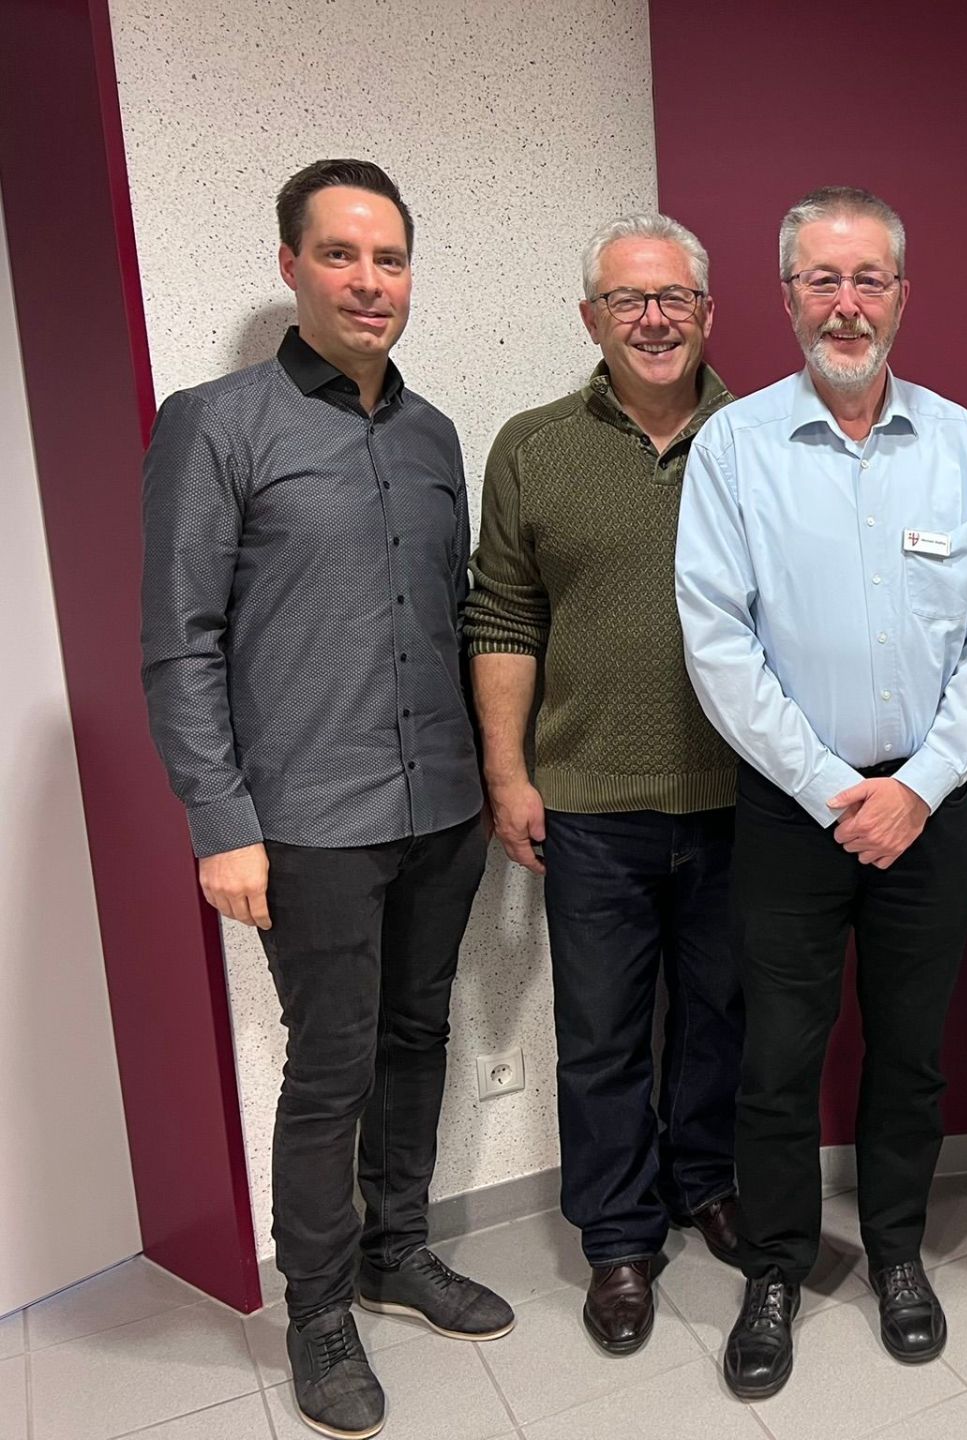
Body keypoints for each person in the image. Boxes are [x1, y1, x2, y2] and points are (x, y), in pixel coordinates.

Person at [140, 159, 512, 1440]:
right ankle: (316, 1310)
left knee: (420, 1038)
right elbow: (179, 641)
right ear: (291, 264)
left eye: (391, 259)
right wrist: (220, 821)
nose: (370, 282)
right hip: (307, 823)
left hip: (442, 810)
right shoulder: (216, 422)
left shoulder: (433, 435)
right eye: (342, 255)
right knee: (332, 1067)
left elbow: (460, 621)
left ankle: (394, 1249)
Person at [675, 186, 967, 1399]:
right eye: (821, 279)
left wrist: (923, 784)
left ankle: (893, 1254)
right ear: (784, 298)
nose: (846, 302)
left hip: (925, 814)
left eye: (867, 278)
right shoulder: (735, 447)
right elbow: (718, 642)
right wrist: (839, 789)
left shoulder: (961, 445)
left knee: (911, 1056)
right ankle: (774, 1267)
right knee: (778, 1055)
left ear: (901, 296)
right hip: (794, 809)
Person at [464, 213, 740, 1358]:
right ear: (592, 319)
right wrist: (506, 771)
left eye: (673, 297)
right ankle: (619, 1239)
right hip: (587, 806)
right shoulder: (532, 446)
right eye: (628, 300)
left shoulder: (764, 435)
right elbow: (503, 613)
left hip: (741, 800)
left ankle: (706, 1180)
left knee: (724, 1018)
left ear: (709, 312)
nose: (653, 318)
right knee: (603, 1036)